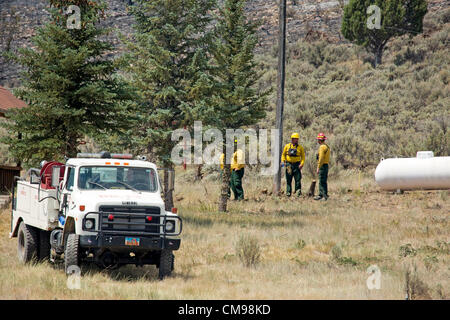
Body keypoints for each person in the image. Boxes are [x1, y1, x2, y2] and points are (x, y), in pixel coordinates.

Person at [281, 132, 305, 197]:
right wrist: (283, 162)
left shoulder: (300, 148)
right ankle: (288, 193)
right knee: (288, 179)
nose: (296, 140)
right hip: (288, 165)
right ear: (292, 139)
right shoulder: (287, 146)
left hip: (297, 165)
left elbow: (303, 157)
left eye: (297, 139)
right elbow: (283, 155)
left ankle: (298, 193)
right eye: (295, 139)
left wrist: (302, 164)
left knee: (298, 179)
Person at [314, 132, 330, 201]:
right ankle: (322, 194)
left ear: (319, 140)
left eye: (318, 139)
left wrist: (318, 167)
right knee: (323, 181)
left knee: (322, 181)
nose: (318, 141)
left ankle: (323, 196)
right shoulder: (327, 146)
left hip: (322, 165)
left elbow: (321, 158)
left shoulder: (322, 147)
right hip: (326, 165)